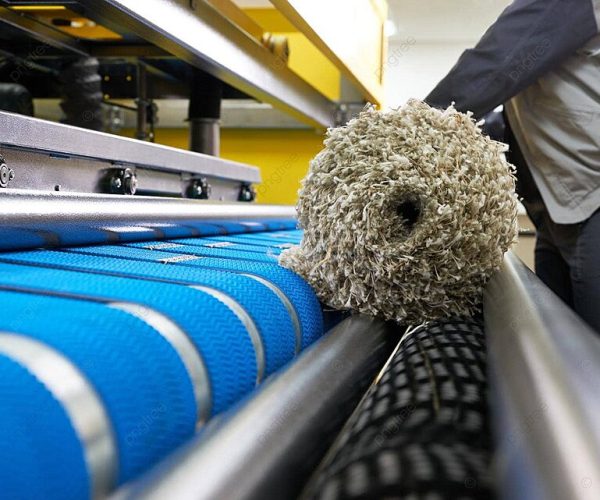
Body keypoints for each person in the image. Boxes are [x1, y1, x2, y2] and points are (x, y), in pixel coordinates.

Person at [425, 0, 600, 333]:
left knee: (589, 342)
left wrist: (413, 127)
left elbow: (496, 65)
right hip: (558, 209)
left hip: (590, 196)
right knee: (558, 339)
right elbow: (521, 109)